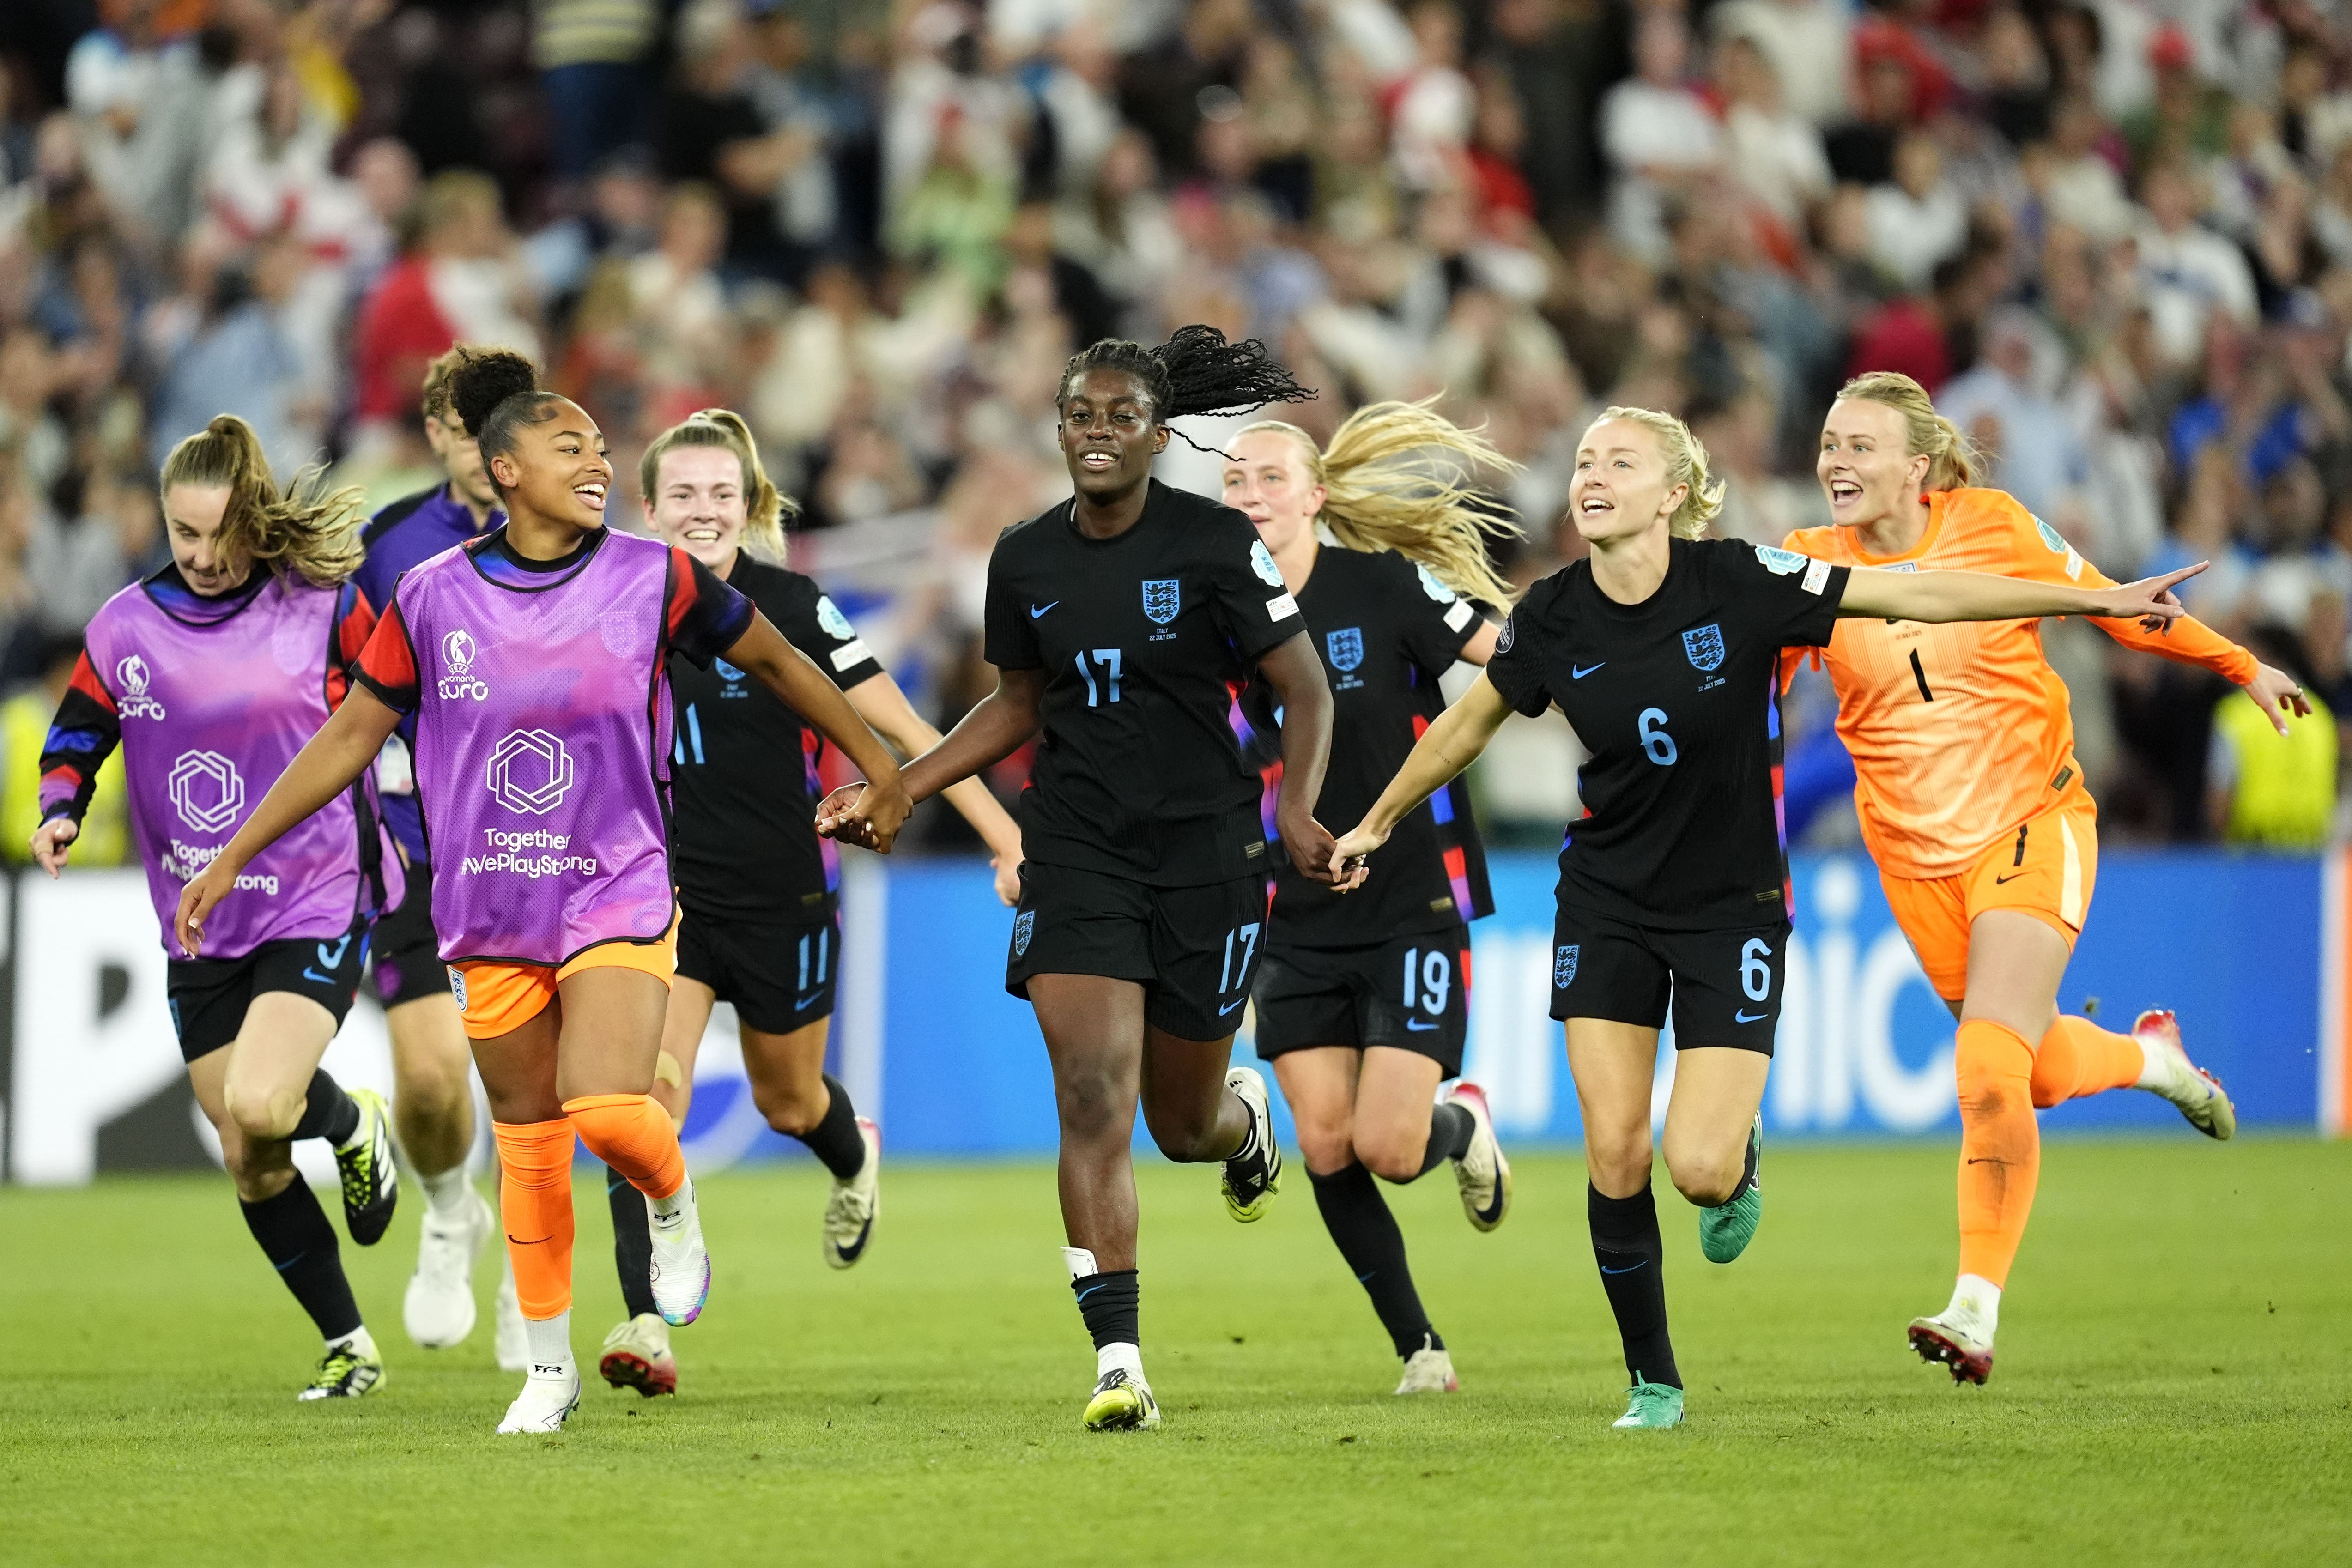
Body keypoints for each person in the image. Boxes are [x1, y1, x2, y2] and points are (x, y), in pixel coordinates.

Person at [1326, 405, 2208, 1430]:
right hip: (1605, 899)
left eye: (1620, 461)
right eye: (1580, 462)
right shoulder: (1549, 616)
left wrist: (2089, 598)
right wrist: (1375, 822)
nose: (1591, 475)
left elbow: (1919, 597)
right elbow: (1462, 729)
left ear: (1672, 494)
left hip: (1729, 910)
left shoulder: (1740, 581)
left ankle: (1736, 1160)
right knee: (1613, 1150)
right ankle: (1651, 1382)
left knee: (1693, 1169)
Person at [172, 350, 914, 1435]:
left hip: (616, 887)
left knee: (611, 1109)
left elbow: (779, 662)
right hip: (490, 908)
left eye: (605, 451)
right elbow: (348, 735)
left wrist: (877, 765)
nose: (599, 465)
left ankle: (669, 1197)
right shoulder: (429, 595)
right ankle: (550, 1370)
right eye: (572, 448)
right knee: (524, 1138)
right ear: (506, 467)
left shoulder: (652, 578)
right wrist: (237, 851)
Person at [820, 327, 1338, 1432]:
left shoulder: (1213, 544)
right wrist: (903, 786)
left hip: (1205, 857)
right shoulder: (1025, 555)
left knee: (1178, 1123)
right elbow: (1017, 703)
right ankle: (1119, 1364)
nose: (1097, 433)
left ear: (1156, 434)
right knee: (1090, 1093)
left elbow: (1304, 685)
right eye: (1080, 416)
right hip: (1077, 852)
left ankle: (1240, 1128)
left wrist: (1291, 806)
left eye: (1119, 417)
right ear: (1059, 429)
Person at [1788, 372, 2311, 1385]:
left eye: (1858, 446)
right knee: (2024, 1073)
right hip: (1909, 859)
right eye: (1826, 444)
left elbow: (2117, 608)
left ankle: (1972, 1309)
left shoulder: (1990, 525)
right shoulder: (1804, 570)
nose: (1834, 463)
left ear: (1915, 464)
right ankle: (2150, 1061)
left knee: (1984, 1073)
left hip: (2030, 821)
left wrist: (2242, 666)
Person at [594, 407, 1026, 1398]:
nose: (703, 513)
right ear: (648, 508)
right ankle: (647, 1322)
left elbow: (908, 728)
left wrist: (1005, 838)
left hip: (783, 895)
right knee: (640, 1106)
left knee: (786, 1101)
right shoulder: (611, 604)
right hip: (662, 903)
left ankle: (850, 1152)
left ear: (747, 508)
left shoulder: (788, 603)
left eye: (722, 496)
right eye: (684, 497)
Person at [31, 415, 403, 1400]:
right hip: (199, 918)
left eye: (217, 534)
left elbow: (396, 704)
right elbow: (78, 728)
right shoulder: (124, 626)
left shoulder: (325, 607)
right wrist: (60, 807)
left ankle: (356, 1123)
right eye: (181, 534)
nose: (199, 556)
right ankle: (349, 1344)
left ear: (254, 517)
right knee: (250, 1157)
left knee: (260, 1101)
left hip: (315, 893)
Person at [1218, 402, 1520, 1396]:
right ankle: (1417, 1348)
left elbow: (1502, 654)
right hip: (1290, 915)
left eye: (1269, 478)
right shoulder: (1211, 616)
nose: (1250, 495)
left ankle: (1459, 1128)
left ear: (1312, 496)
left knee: (1391, 1148)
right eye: (1233, 480)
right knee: (1325, 1143)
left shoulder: (1379, 587)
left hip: (1405, 900)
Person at [352, 346, 515, 1365]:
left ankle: (525, 1286)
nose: (470, 444)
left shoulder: (577, 540)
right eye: (459, 426)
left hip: (537, 845)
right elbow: (353, 699)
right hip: (416, 847)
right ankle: (452, 1211)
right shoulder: (388, 547)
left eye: (491, 426)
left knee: (529, 1086)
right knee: (426, 1082)